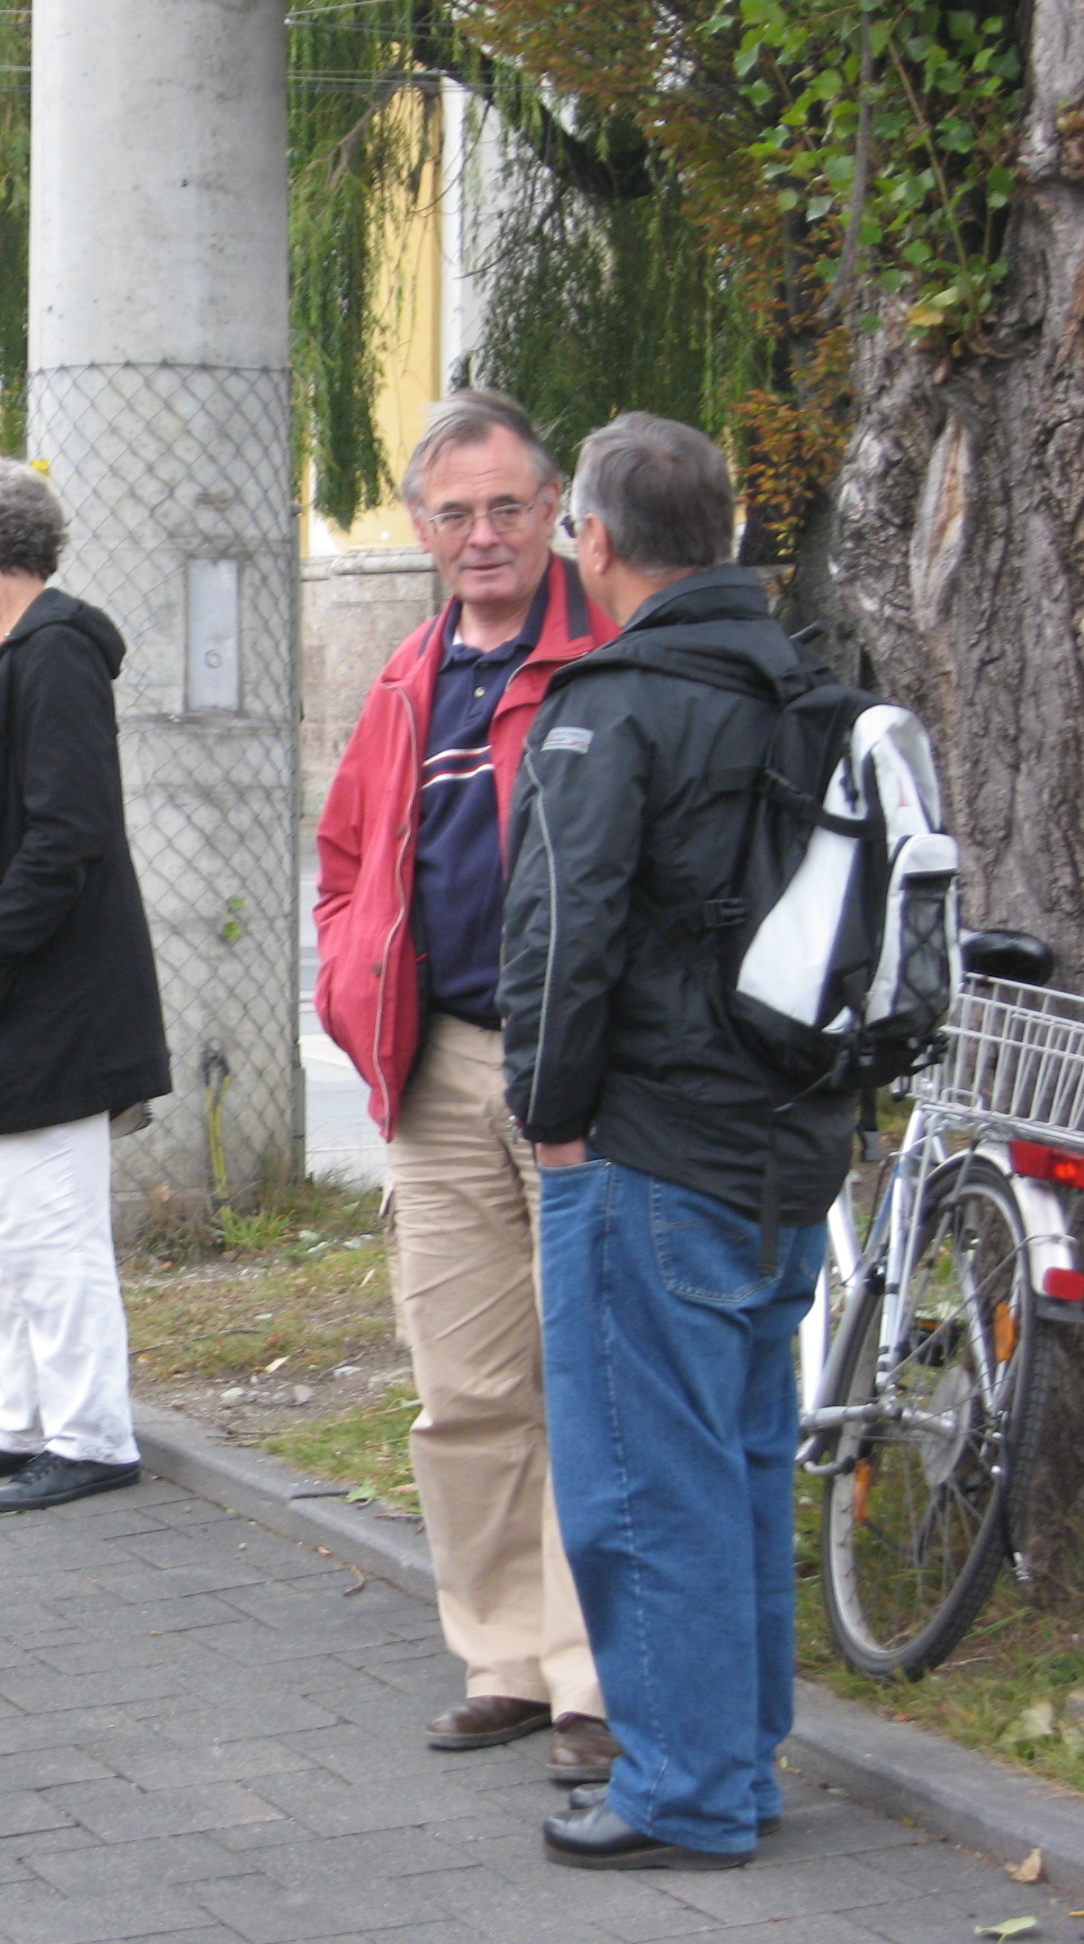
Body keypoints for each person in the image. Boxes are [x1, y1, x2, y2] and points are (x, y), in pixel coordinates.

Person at [500, 413, 851, 1870]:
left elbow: (562, 929)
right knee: (744, 1467)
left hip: (648, 1148)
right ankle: (736, 1762)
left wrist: (550, 1117)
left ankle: (685, 1789)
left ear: (592, 538)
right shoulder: (810, 687)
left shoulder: (616, 702)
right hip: (787, 1144)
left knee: (646, 1485)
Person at [311, 392, 619, 1784]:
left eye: (506, 507)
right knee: (466, 1386)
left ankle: (594, 1676)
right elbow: (345, 862)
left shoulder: (607, 654)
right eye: (455, 514)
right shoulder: (408, 674)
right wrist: (350, 984)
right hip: (435, 1069)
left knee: (591, 1380)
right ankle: (504, 1659)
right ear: (423, 529)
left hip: (580, 1073)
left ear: (555, 513)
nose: (482, 535)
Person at [0, 455, 169, 1513]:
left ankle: (92, 1435)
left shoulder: (56, 653)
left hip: (49, 1005)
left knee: (50, 1229)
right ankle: (20, 1419)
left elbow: (68, 833)